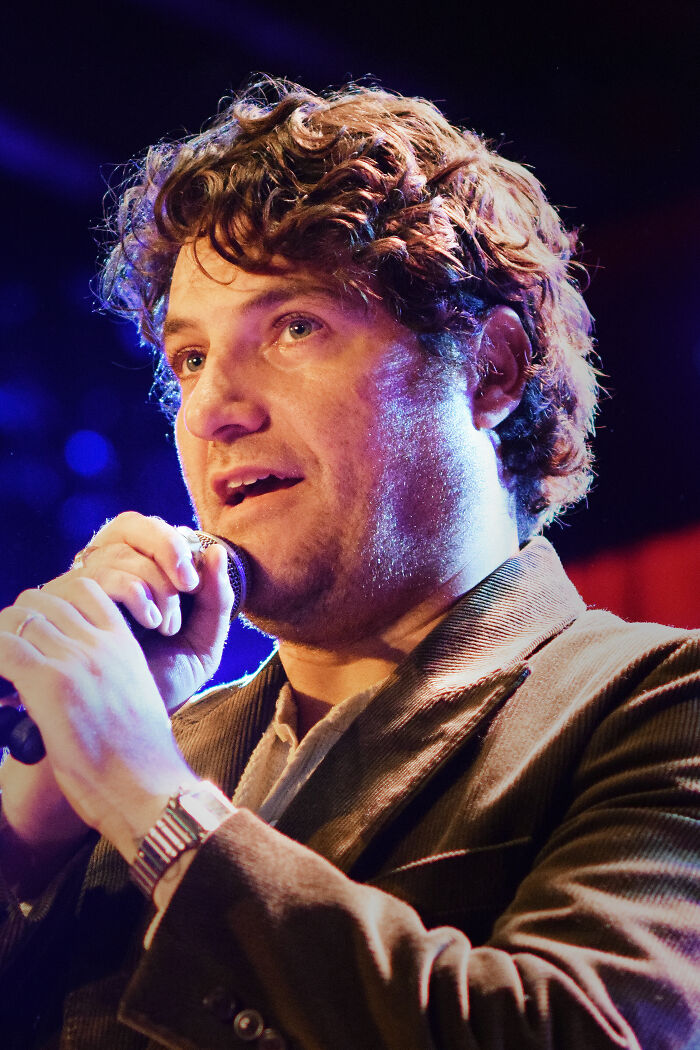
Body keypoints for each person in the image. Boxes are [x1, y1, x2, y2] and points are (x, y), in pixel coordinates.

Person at [0, 77, 698, 1050]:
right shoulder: (153, 746)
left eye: (294, 329)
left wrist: (151, 807)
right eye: (192, 358)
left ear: (487, 369)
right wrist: (26, 835)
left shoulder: (655, 704)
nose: (212, 410)